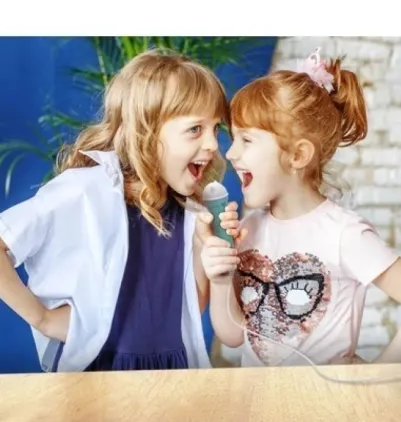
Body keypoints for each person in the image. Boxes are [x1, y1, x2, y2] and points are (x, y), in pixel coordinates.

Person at [0, 49, 240, 372]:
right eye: (195, 129)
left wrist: (204, 247)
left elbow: (190, 308)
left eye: (215, 129)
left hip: (173, 369)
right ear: (147, 131)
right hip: (102, 372)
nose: (212, 144)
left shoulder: (190, 210)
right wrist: (42, 318)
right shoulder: (85, 189)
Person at [197, 48, 401, 367]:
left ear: (297, 155)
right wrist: (222, 280)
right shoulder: (249, 230)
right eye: (234, 139)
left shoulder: (345, 234)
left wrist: (376, 374)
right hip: (259, 397)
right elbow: (234, 335)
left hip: (325, 399)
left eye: (246, 140)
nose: (231, 153)